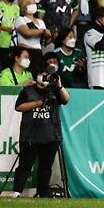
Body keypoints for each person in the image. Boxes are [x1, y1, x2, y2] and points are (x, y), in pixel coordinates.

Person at [11, 63, 70, 198]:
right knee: (25, 165)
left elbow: (66, 100)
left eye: (47, 75)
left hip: (51, 135)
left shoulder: (55, 90)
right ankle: (16, 192)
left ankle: (42, 193)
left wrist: (59, 85)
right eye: (42, 75)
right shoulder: (28, 91)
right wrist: (37, 104)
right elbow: (18, 107)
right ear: (37, 75)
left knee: (45, 167)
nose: (44, 78)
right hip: (30, 135)